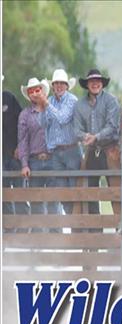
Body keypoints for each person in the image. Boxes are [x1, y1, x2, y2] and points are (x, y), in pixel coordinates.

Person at [74, 69, 121, 218]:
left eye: (98, 81)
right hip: (91, 150)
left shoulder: (111, 100)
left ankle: (119, 229)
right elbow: (76, 129)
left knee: (116, 190)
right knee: (90, 191)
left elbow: (113, 125)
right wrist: (86, 136)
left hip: (110, 149)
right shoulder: (79, 105)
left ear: (102, 84)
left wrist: (96, 136)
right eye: (92, 81)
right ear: (87, 84)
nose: (95, 84)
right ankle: (94, 230)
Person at [35, 68, 80, 215]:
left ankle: (77, 223)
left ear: (67, 86)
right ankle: (71, 220)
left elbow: (62, 118)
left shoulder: (72, 100)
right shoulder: (51, 101)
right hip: (55, 152)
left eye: (62, 83)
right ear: (53, 86)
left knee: (74, 188)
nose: (59, 86)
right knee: (61, 190)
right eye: (56, 83)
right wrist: (42, 107)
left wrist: (46, 104)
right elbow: (43, 124)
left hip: (71, 150)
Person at [18, 77, 58, 225]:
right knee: (36, 201)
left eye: (37, 90)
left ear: (42, 91)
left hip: (53, 158)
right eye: (31, 91)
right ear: (28, 95)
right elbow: (23, 141)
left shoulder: (52, 108)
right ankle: (38, 239)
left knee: (54, 200)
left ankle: (56, 238)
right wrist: (24, 164)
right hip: (35, 161)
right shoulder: (25, 115)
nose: (34, 93)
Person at [2, 84, 30, 223]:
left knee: (20, 191)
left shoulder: (8, 97)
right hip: (1, 156)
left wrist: (20, 146)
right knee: (3, 192)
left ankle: (24, 225)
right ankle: (9, 226)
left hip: (15, 153)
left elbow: (22, 124)